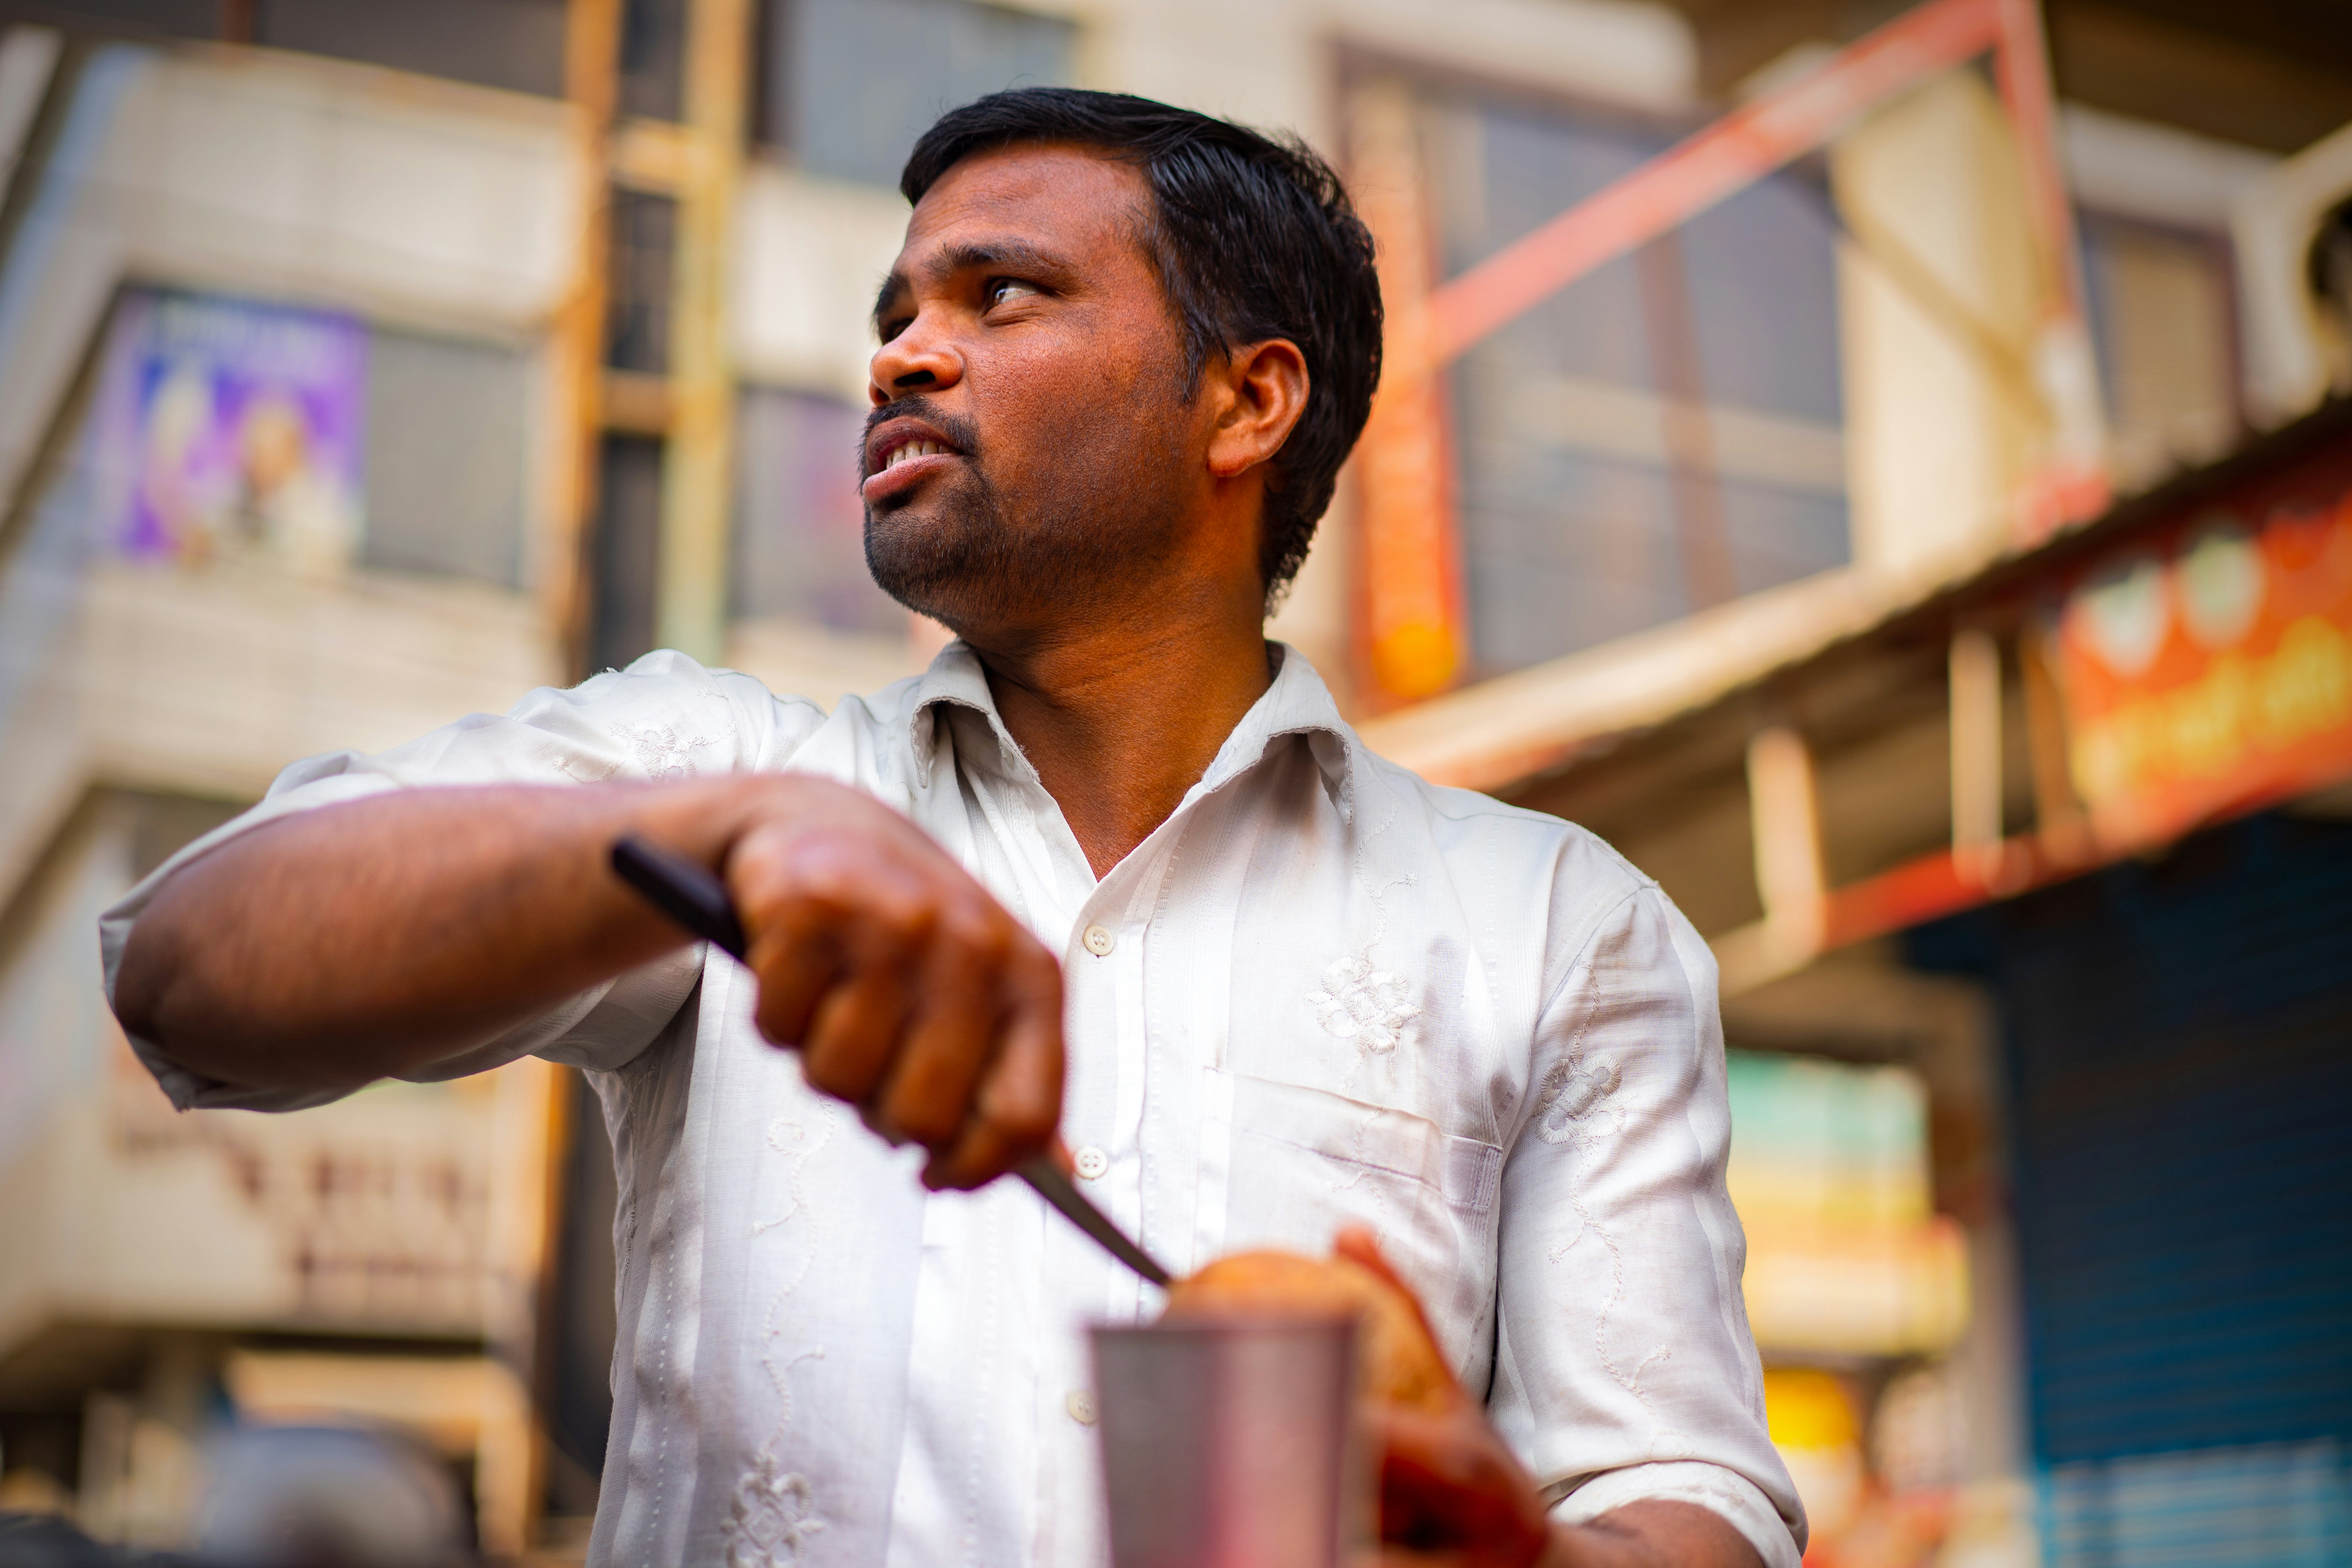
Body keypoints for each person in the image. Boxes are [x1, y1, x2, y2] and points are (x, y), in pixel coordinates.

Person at [105, 89, 1803, 1568]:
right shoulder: (717, 765)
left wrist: (1520, 1555)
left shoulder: (1564, 924)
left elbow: (1680, 1487)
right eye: (898, 309)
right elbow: (190, 968)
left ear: (1248, 402)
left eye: (1003, 292)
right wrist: (737, 834)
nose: (902, 353)